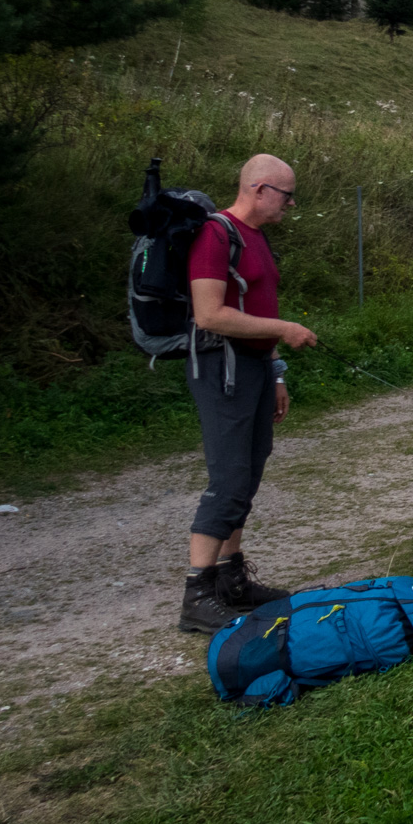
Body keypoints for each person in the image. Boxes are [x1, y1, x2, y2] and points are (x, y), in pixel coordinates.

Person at [179, 153, 319, 633]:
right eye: (286, 194)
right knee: (230, 474)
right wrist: (283, 328)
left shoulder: (256, 238)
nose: (291, 203)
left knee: (250, 468)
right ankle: (197, 593)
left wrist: (276, 372)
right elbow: (209, 314)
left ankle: (231, 578)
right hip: (224, 368)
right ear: (259, 189)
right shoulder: (216, 234)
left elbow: (258, 303)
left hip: (256, 368)